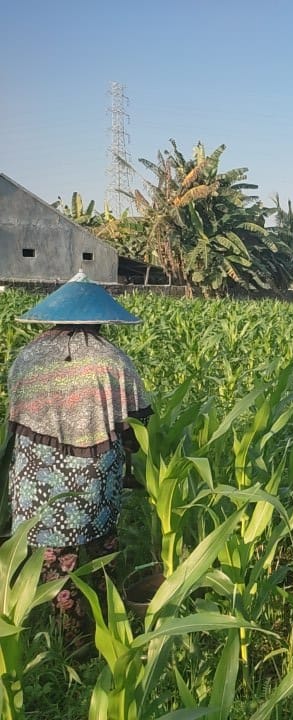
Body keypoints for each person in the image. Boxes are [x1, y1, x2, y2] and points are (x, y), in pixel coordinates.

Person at [5, 271, 151, 648]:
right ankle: (108, 624)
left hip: (37, 472)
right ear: (100, 318)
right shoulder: (112, 359)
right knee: (101, 551)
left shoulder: (28, 356)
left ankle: (72, 640)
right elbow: (137, 424)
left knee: (57, 560)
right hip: (93, 473)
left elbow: (15, 415)